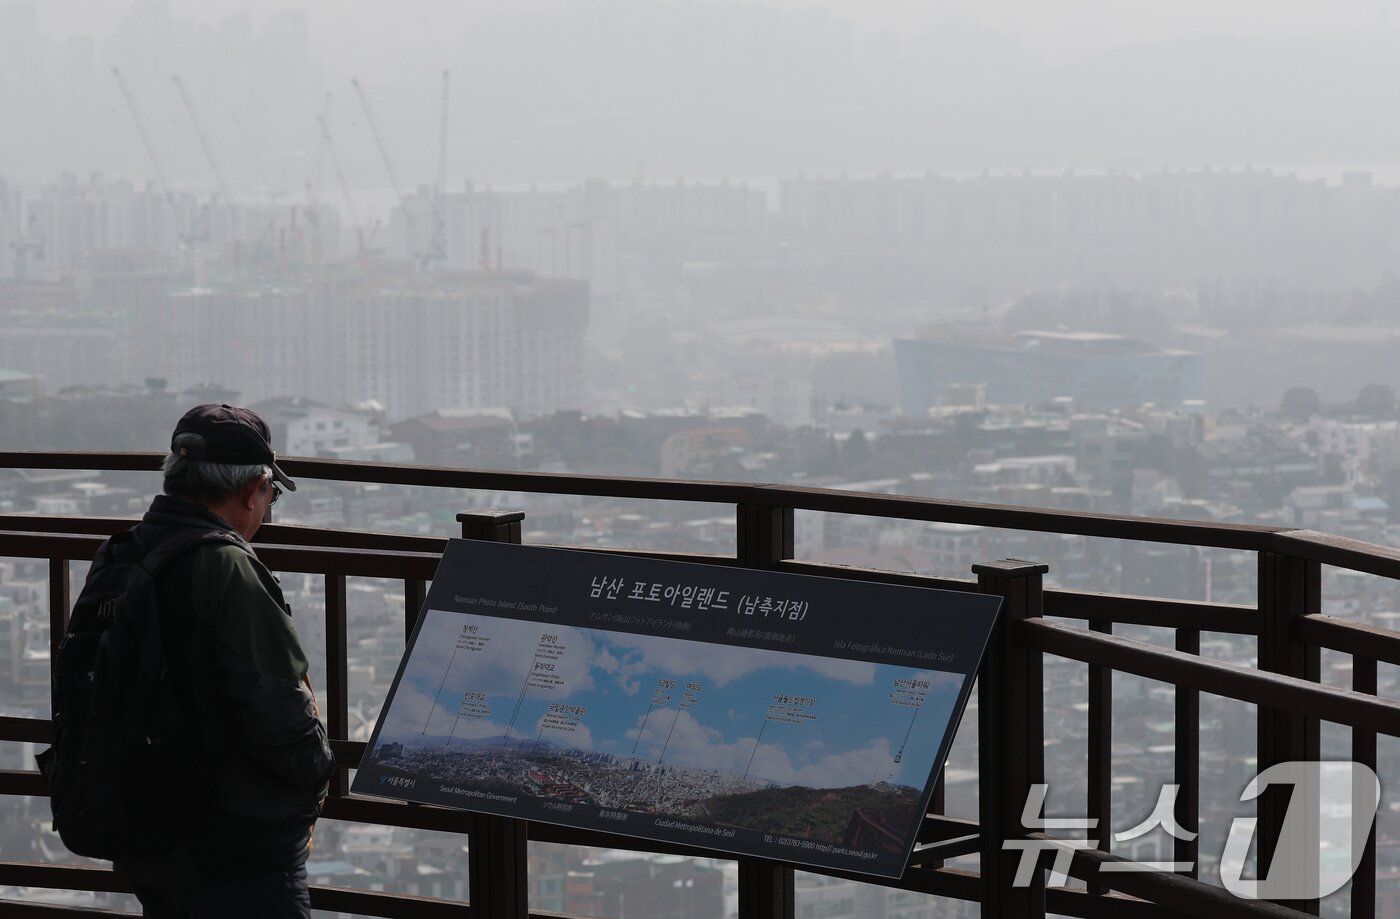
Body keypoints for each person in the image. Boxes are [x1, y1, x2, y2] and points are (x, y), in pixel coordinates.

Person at [112, 404, 334, 918]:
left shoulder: (124, 552)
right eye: (272, 494)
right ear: (252, 488)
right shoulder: (228, 568)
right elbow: (279, 709)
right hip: (233, 846)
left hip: (145, 825)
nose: (268, 506)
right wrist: (319, 775)